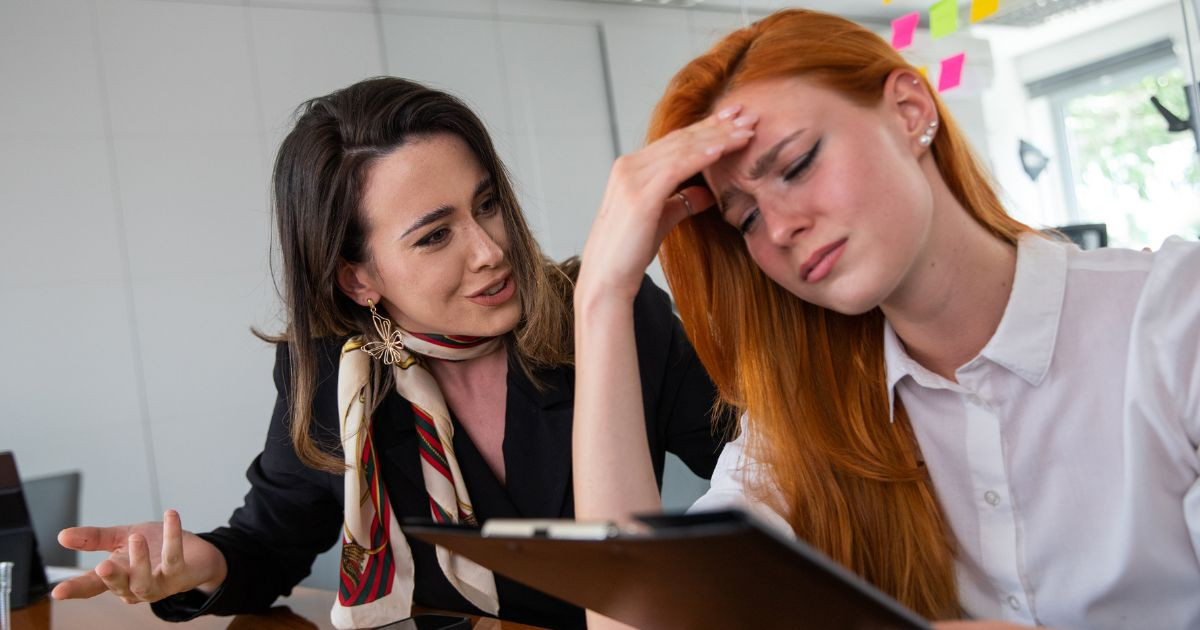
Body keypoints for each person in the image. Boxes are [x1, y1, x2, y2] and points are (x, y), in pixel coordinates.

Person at [573, 8, 1200, 630]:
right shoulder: (803, 413)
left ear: (910, 112)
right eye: (748, 220)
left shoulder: (1174, 315)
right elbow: (635, 624)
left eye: (796, 165)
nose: (783, 227)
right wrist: (602, 295)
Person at [52, 77, 729, 630]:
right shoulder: (332, 373)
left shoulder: (614, 314)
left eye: (487, 204)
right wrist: (201, 565)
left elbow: (759, 471)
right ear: (359, 278)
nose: (491, 249)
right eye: (435, 237)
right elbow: (270, 544)